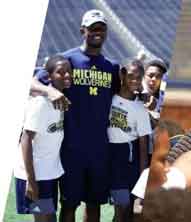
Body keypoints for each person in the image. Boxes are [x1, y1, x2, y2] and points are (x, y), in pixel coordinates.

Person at [30, 9, 121, 222]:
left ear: (106, 31)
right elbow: (33, 81)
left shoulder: (111, 67)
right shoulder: (67, 60)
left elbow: (122, 95)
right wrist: (50, 90)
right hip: (71, 148)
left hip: (100, 148)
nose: (97, 32)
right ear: (83, 30)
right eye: (92, 28)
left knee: (94, 206)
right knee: (69, 205)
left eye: (101, 28)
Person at [14, 55, 72, 222]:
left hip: (48, 173)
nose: (67, 75)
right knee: (44, 219)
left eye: (69, 71)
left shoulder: (59, 98)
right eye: (61, 72)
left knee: (49, 218)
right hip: (35, 175)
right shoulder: (41, 103)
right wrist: (31, 180)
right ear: (49, 76)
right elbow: (26, 140)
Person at [107, 59, 152, 222]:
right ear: (122, 75)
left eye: (139, 78)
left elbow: (143, 145)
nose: (134, 80)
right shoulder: (109, 98)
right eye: (131, 76)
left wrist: (142, 179)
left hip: (129, 161)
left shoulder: (140, 108)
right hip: (111, 158)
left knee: (126, 210)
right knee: (120, 208)